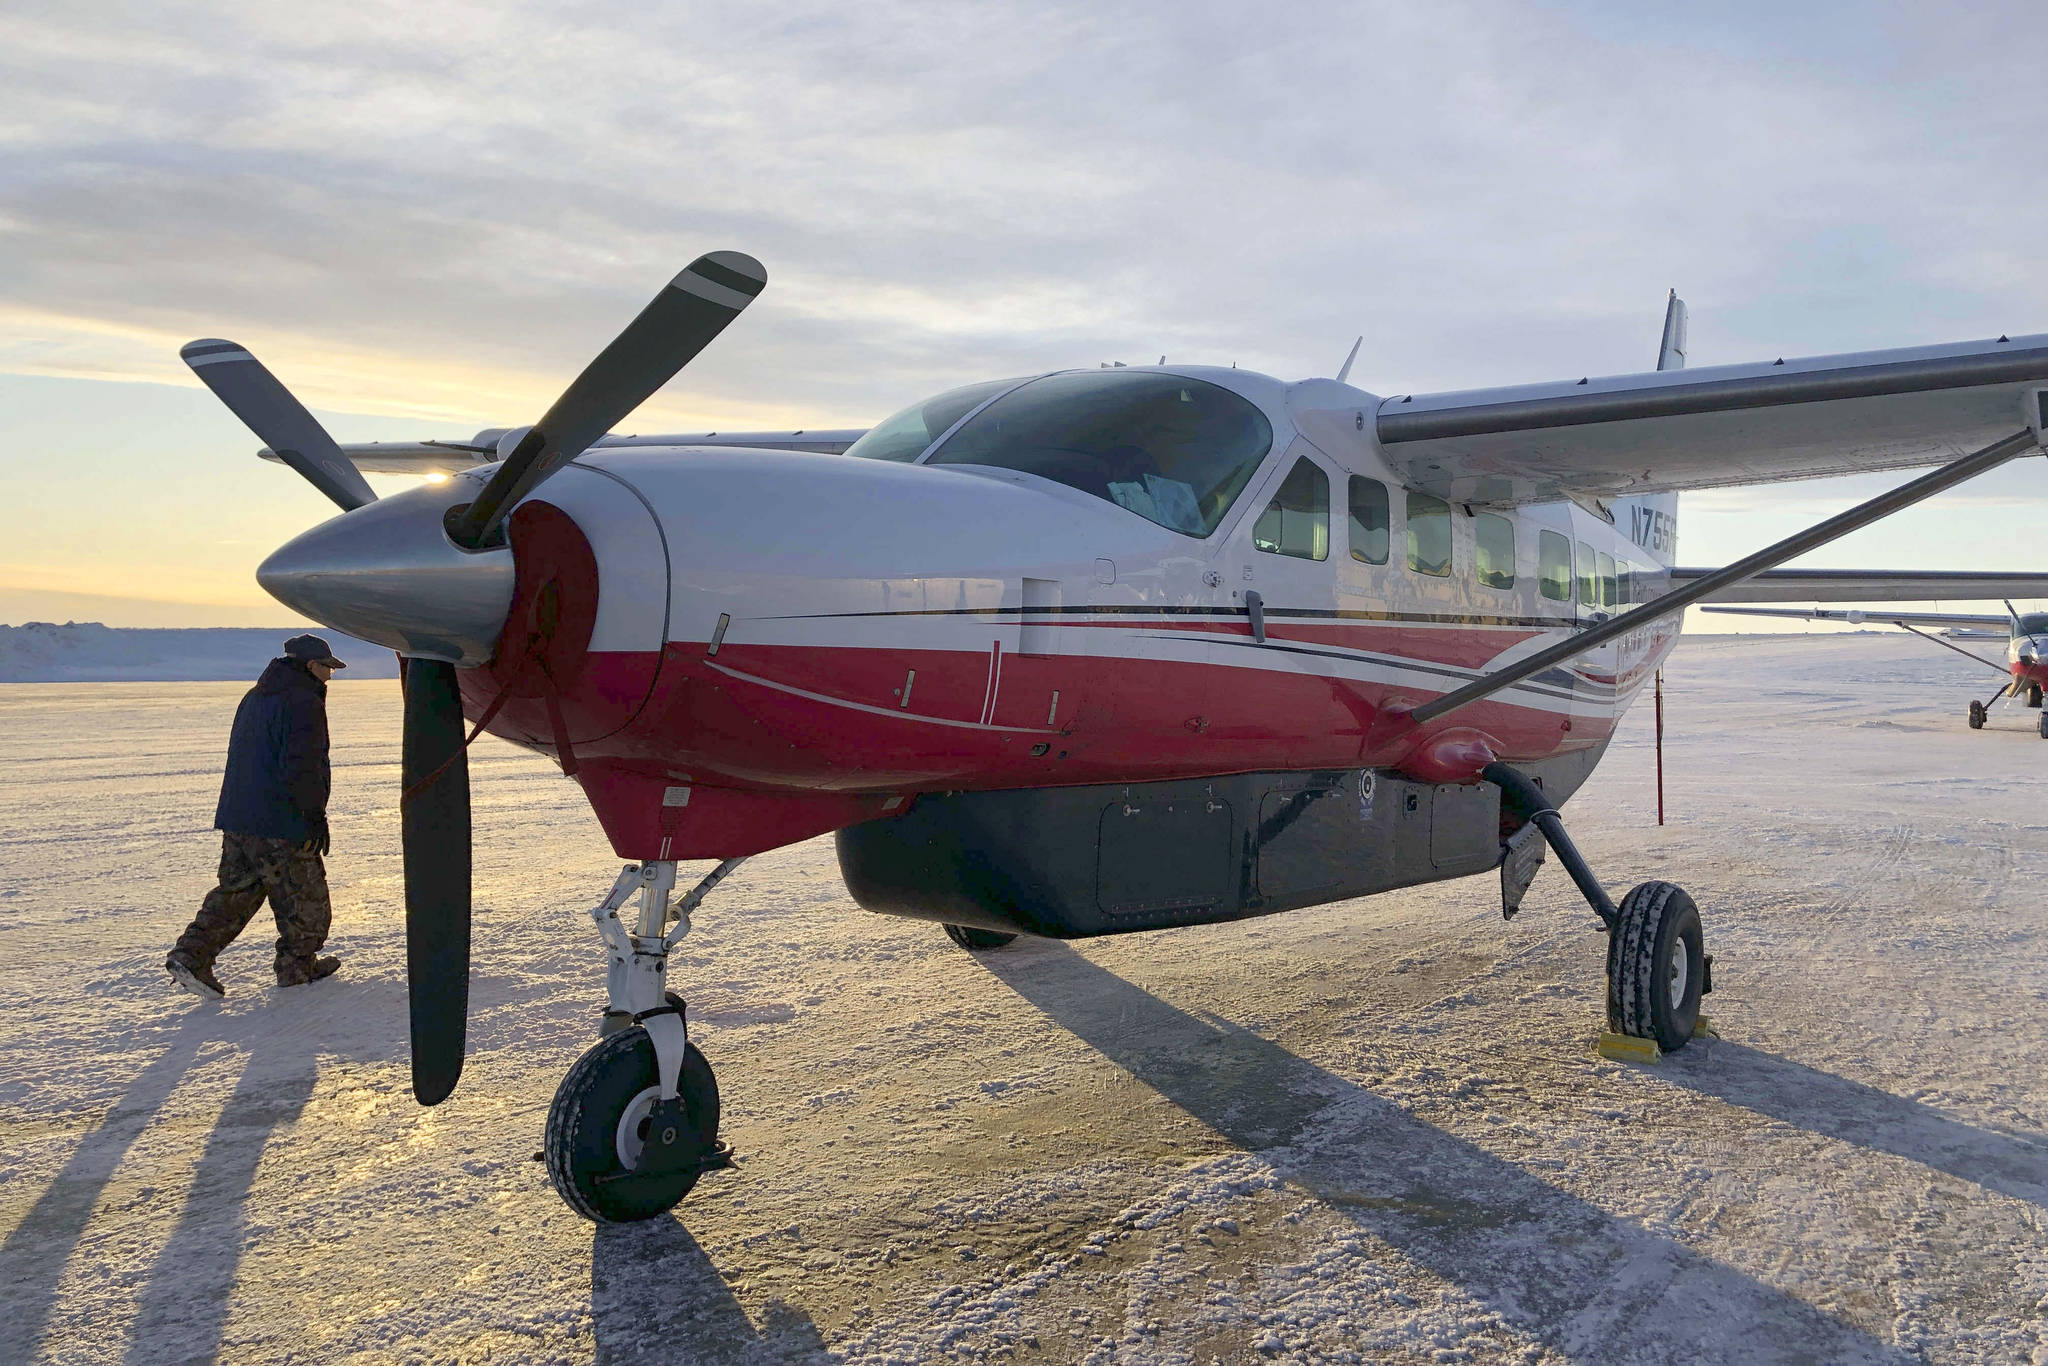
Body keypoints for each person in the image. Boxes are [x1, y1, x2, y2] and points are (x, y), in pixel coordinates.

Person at [166, 634, 347, 998]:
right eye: (327, 667)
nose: (330, 674)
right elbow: (303, 766)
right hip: (281, 821)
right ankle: (297, 966)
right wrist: (313, 817)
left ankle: (191, 954)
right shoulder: (302, 702)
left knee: (239, 890)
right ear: (310, 665)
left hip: (240, 817)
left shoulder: (256, 695)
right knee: (306, 899)